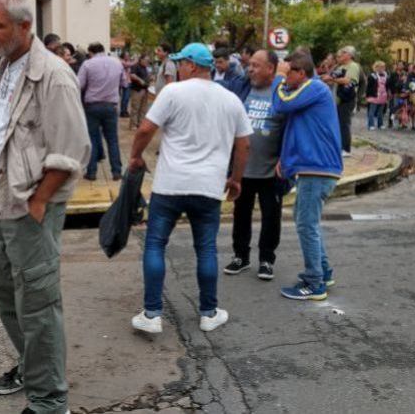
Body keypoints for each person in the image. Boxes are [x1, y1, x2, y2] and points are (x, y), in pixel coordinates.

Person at [0, 0, 90, 412]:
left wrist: (39, 200)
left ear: (25, 26)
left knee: (38, 305)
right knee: (7, 298)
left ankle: (49, 401)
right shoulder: (5, 68)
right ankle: (33, 367)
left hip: (30, 210)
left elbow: (73, 149)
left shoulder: (54, 75)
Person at [128, 43, 252, 334]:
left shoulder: (173, 92)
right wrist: (236, 179)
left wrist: (135, 156)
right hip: (208, 187)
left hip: (171, 184)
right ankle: (209, 313)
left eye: (180, 63)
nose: (178, 68)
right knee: (206, 248)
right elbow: (244, 143)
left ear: (192, 65)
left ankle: (152, 314)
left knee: (156, 244)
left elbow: (146, 129)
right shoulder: (230, 99)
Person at [272, 51, 343, 301]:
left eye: (288, 71)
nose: (284, 76)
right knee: (306, 222)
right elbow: (297, 127)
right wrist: (286, 159)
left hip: (318, 168)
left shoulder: (314, 87)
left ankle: (314, 283)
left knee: (306, 224)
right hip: (314, 168)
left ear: (300, 73)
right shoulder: (308, 92)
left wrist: (278, 79)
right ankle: (323, 272)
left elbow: (280, 104)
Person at [222, 50, 286, 281]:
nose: (251, 69)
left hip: (272, 170)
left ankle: (267, 259)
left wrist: (286, 158)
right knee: (241, 214)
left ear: (271, 69)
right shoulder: (243, 88)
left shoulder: (282, 93)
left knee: (271, 217)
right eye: (250, 65)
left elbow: (290, 128)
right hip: (243, 168)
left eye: (257, 66)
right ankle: (241, 256)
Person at [78, 42, 127, 181]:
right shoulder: (117, 63)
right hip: (111, 106)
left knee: (92, 139)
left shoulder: (88, 64)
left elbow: (79, 84)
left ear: (90, 52)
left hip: (92, 106)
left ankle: (91, 172)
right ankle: (116, 172)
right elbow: (124, 83)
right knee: (112, 140)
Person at [321, 46, 360, 157]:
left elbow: (348, 80)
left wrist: (331, 79)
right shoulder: (341, 66)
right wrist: (325, 77)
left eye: (342, 54)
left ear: (349, 55)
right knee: (338, 123)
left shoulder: (353, 66)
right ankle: (338, 146)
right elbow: (332, 76)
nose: (340, 56)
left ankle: (346, 149)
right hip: (338, 99)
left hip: (347, 99)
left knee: (344, 124)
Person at [128, 53, 152, 130]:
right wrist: (140, 80)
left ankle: (140, 123)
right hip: (137, 90)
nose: (148, 62)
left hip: (145, 90)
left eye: (148, 60)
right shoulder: (136, 66)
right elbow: (132, 75)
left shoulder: (146, 68)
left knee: (143, 108)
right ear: (141, 59)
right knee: (135, 108)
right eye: (146, 60)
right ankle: (133, 125)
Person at [365, 61, 389, 130]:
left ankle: (380, 124)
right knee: (372, 111)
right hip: (374, 95)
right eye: (381, 67)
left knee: (381, 111)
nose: (383, 68)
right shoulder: (372, 76)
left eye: (383, 67)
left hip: (383, 95)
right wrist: (367, 95)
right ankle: (371, 125)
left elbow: (387, 85)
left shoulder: (386, 75)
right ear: (376, 67)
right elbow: (369, 86)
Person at [120, 51, 133, 117]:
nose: (128, 56)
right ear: (123, 56)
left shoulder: (127, 62)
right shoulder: (122, 61)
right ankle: (123, 111)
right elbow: (129, 65)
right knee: (125, 97)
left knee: (127, 98)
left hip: (128, 81)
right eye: (127, 55)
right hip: (125, 82)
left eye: (128, 55)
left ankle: (124, 110)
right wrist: (136, 60)